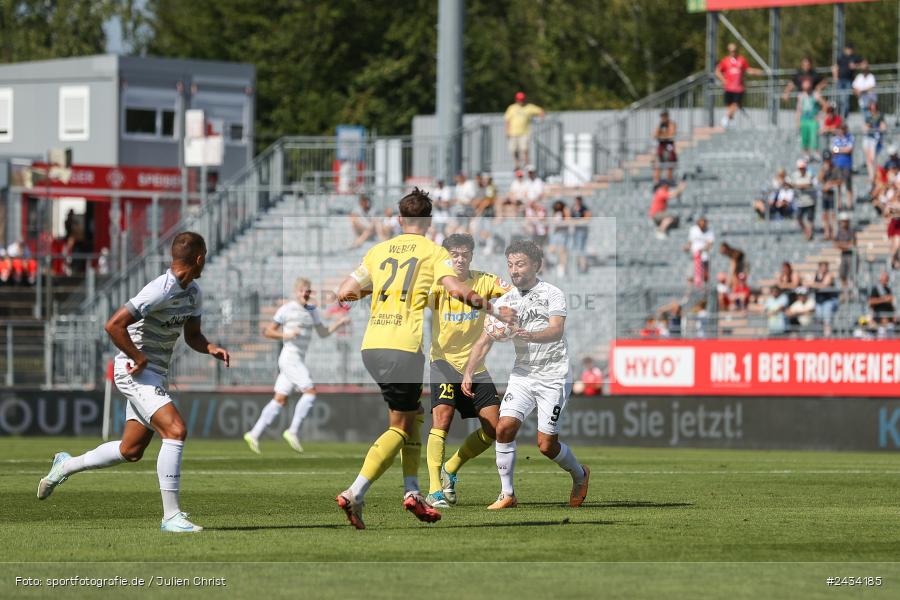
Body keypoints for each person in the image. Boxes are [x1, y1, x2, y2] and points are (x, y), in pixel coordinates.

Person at [334, 188, 516, 529]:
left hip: (372, 346)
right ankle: (355, 491)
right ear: (429, 222)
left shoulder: (378, 250)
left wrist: (383, 289)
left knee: (413, 416)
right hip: (404, 347)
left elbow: (344, 291)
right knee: (400, 427)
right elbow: (457, 289)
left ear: (400, 219)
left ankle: (412, 490)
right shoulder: (433, 253)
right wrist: (493, 308)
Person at [36, 232, 230, 533]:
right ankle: (171, 516)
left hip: (154, 372)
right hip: (135, 371)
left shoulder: (194, 293)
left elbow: (192, 335)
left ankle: (65, 465)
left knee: (131, 450)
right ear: (200, 258)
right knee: (176, 430)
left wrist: (210, 347)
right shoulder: (159, 290)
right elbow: (113, 325)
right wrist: (137, 357)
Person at [462, 239, 589, 510]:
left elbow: (556, 330)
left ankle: (580, 475)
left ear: (536, 265)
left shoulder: (552, 293)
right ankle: (507, 494)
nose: (514, 270)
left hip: (553, 375)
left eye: (520, 264)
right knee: (504, 428)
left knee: (546, 445)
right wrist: (469, 371)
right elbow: (485, 340)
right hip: (522, 374)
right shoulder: (505, 302)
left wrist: (531, 334)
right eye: (510, 265)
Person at [424, 233, 511, 509]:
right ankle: (434, 490)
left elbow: (514, 293)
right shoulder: (438, 286)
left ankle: (450, 468)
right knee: (443, 418)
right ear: (447, 257)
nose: (460, 259)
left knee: (494, 428)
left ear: (472, 256)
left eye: (464, 254)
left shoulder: (486, 281)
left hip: (475, 366)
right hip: (443, 362)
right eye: (454, 254)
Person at [243, 278, 350, 454]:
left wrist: (339, 323)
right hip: (289, 358)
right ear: (296, 291)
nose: (305, 293)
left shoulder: (312, 310)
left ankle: (253, 434)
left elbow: (323, 333)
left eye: (308, 290)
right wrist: (288, 334)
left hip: (298, 358)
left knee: (280, 399)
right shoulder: (287, 309)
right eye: (302, 290)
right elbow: (268, 331)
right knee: (310, 391)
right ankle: (293, 431)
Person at [716, 42, 764, 128]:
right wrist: (723, 80)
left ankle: (724, 121)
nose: (733, 52)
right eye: (731, 51)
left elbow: (748, 69)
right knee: (730, 107)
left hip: (738, 88)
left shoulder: (741, 60)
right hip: (728, 88)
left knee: (736, 105)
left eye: (734, 50)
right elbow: (717, 71)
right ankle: (727, 123)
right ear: (729, 51)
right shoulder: (725, 61)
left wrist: (757, 72)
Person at [504, 92, 544, 170]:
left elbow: (541, 111)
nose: (520, 101)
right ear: (516, 99)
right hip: (513, 133)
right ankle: (517, 165)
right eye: (519, 99)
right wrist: (507, 131)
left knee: (524, 149)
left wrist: (541, 120)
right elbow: (507, 120)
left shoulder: (529, 107)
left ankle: (526, 164)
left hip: (524, 133)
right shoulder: (511, 108)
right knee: (514, 150)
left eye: (522, 99)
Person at [796, 79, 824, 161]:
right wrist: (797, 121)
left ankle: (815, 152)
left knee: (814, 136)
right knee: (804, 137)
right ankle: (806, 154)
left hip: (813, 119)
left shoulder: (815, 95)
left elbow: (824, 104)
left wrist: (820, 115)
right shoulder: (801, 96)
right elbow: (799, 109)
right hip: (804, 119)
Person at [832, 43, 862, 118]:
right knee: (840, 99)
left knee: (845, 99)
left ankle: (844, 116)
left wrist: (855, 66)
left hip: (849, 81)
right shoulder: (841, 57)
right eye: (848, 49)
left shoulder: (854, 58)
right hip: (840, 81)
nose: (849, 51)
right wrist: (835, 77)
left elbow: (864, 64)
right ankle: (840, 115)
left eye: (850, 49)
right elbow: (835, 67)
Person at [811, 261, 839, 337]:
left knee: (827, 318)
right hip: (819, 301)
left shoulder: (829, 275)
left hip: (829, 300)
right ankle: (820, 335)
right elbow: (810, 283)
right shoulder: (816, 275)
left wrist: (814, 285)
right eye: (822, 266)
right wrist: (816, 284)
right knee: (819, 317)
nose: (824, 268)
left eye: (825, 266)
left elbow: (824, 285)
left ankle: (827, 335)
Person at [791, 159, 816, 240]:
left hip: (810, 201)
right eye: (800, 168)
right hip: (800, 202)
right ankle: (806, 231)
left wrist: (799, 186)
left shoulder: (810, 174)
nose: (801, 170)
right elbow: (792, 184)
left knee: (810, 219)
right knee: (799, 218)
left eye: (803, 168)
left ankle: (810, 233)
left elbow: (809, 184)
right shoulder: (795, 175)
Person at [831, 123, 854, 210]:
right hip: (837, 164)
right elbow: (833, 150)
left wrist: (839, 150)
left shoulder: (850, 137)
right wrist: (843, 150)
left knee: (848, 184)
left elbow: (849, 150)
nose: (842, 131)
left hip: (847, 164)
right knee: (838, 184)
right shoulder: (835, 139)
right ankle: (839, 204)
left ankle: (849, 204)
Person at [686, 216, 714, 287]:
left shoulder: (709, 231)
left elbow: (710, 244)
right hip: (694, 257)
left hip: (704, 257)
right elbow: (690, 242)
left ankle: (705, 289)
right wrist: (687, 247)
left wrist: (702, 249)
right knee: (691, 274)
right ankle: (690, 291)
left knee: (705, 275)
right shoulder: (693, 230)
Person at [863, 101, 887, 183]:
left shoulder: (880, 115)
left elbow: (883, 126)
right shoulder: (868, 116)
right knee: (868, 158)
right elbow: (866, 127)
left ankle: (874, 175)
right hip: (869, 138)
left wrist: (877, 128)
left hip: (875, 138)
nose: (873, 108)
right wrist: (868, 127)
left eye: (874, 106)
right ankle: (871, 175)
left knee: (872, 158)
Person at [834, 213, 857, 296]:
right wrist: (844, 245)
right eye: (842, 221)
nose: (843, 223)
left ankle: (852, 293)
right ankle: (845, 292)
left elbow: (851, 245)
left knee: (852, 274)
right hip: (844, 255)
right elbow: (835, 244)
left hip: (851, 255)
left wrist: (841, 245)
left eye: (844, 221)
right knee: (842, 274)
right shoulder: (839, 231)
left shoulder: (851, 231)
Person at [819, 150, 839, 240]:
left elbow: (840, 180)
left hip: (833, 194)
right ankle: (827, 232)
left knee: (833, 214)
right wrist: (824, 170)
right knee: (825, 214)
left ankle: (834, 232)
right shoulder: (823, 168)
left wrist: (831, 183)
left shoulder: (835, 168)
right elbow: (819, 179)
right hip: (825, 195)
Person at [653, 110, 677, 184]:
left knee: (671, 160)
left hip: (669, 144)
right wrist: (662, 136)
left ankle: (669, 179)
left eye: (664, 116)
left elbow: (671, 134)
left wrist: (663, 136)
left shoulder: (671, 124)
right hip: (662, 145)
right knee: (659, 161)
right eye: (662, 117)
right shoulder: (660, 125)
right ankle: (656, 181)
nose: (663, 118)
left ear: (667, 116)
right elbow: (655, 135)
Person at [548, 200, 570, 277]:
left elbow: (567, 220)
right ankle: (554, 264)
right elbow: (552, 222)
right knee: (552, 249)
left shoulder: (564, 212)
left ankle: (562, 268)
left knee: (562, 251)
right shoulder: (554, 213)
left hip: (562, 233)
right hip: (555, 233)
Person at [570, 196, 591, 274]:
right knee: (578, 248)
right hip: (576, 231)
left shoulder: (584, 208)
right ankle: (579, 266)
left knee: (581, 249)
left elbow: (587, 217)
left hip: (582, 231)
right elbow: (570, 218)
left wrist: (579, 221)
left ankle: (583, 266)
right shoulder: (573, 208)